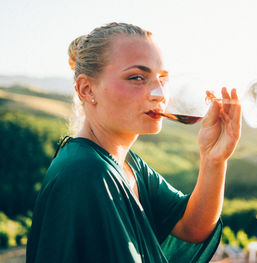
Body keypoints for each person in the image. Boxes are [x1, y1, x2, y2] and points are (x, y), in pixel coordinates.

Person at [26, 22, 242, 263]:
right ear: (87, 90)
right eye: (137, 77)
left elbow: (191, 227)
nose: (159, 94)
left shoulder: (129, 165)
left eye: (162, 79)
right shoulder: (87, 173)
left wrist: (214, 159)